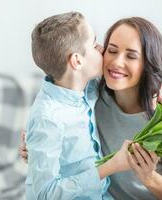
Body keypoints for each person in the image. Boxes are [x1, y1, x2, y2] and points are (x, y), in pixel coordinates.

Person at [21, 16, 162, 200]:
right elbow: (59, 100)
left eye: (131, 56)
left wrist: (150, 179)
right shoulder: (91, 94)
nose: (115, 62)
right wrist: (37, 149)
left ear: (147, 64)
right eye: (112, 50)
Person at [25, 11, 131, 200]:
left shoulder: (85, 87)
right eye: (93, 44)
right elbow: (44, 194)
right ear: (77, 60)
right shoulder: (48, 118)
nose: (101, 48)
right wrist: (111, 166)